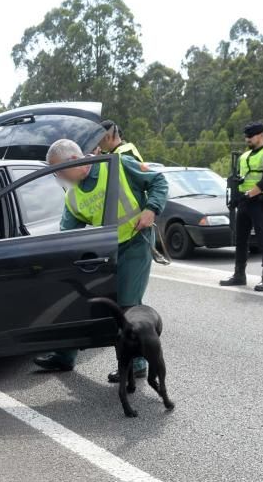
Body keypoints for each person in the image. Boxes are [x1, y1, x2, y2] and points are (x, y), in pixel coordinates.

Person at [34, 138, 168, 381]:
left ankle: (136, 363)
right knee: (78, 300)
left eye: (60, 171)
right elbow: (68, 235)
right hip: (104, 252)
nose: (59, 179)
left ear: (74, 160)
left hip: (134, 244)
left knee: (127, 305)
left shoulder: (118, 165)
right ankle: (65, 356)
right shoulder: (72, 196)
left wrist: (151, 209)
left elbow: (159, 181)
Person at [219, 121, 263, 292]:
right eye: (246, 137)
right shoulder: (244, 156)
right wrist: (235, 197)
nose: (247, 139)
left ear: (261, 135)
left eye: (250, 136)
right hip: (244, 203)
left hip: (260, 202)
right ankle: (239, 275)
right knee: (240, 239)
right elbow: (239, 179)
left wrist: (246, 196)